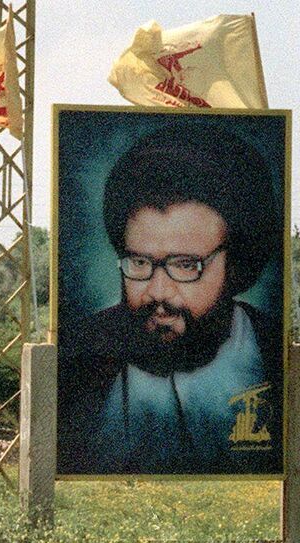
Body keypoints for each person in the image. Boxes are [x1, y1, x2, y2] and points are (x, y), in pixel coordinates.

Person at [58, 121, 283, 475]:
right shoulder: (77, 360)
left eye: (186, 265)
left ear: (236, 266)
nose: (159, 292)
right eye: (140, 262)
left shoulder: (275, 355)